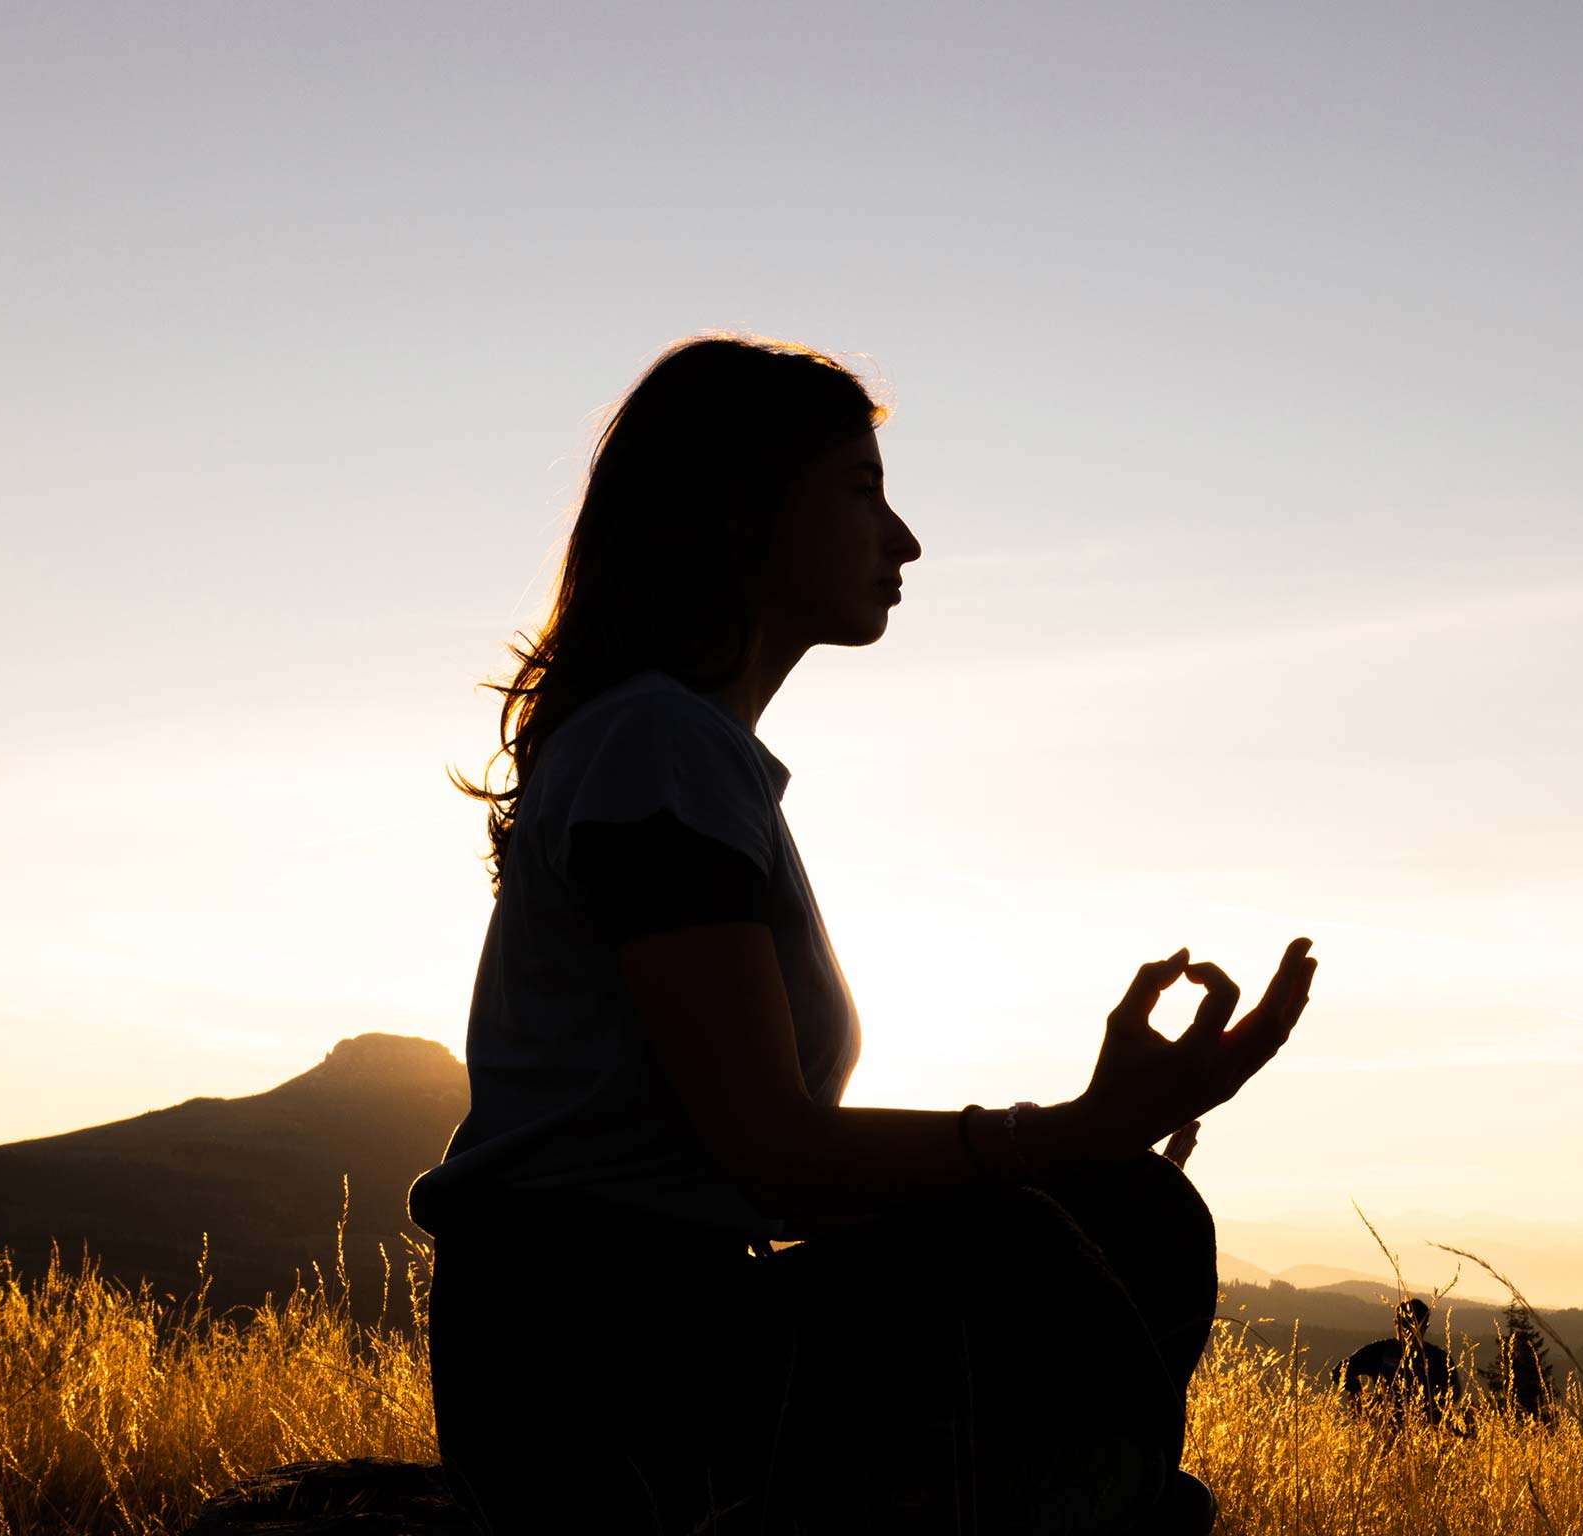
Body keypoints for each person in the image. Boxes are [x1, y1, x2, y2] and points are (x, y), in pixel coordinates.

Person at [405, 334, 1321, 1536]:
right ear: (741, 509)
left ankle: (1111, 1500)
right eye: (860, 491)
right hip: (599, 1368)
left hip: (630, 1339)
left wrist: (1087, 1142)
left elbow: (755, 1174)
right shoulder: (657, 751)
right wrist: (1077, 1133)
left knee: (1106, 1211)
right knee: (1122, 1219)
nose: (903, 540)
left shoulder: (679, 756)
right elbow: (771, 1157)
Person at [1339, 1298, 1460, 1424]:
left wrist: (1432, 1409)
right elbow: (1340, 1371)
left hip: (1423, 1427)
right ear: (1396, 1323)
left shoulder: (1438, 1358)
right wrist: (1358, 1393)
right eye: (1404, 1325)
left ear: (1425, 1327)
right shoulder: (1379, 1351)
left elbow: (1454, 1391)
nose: (1408, 1332)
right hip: (1383, 1426)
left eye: (1413, 1326)